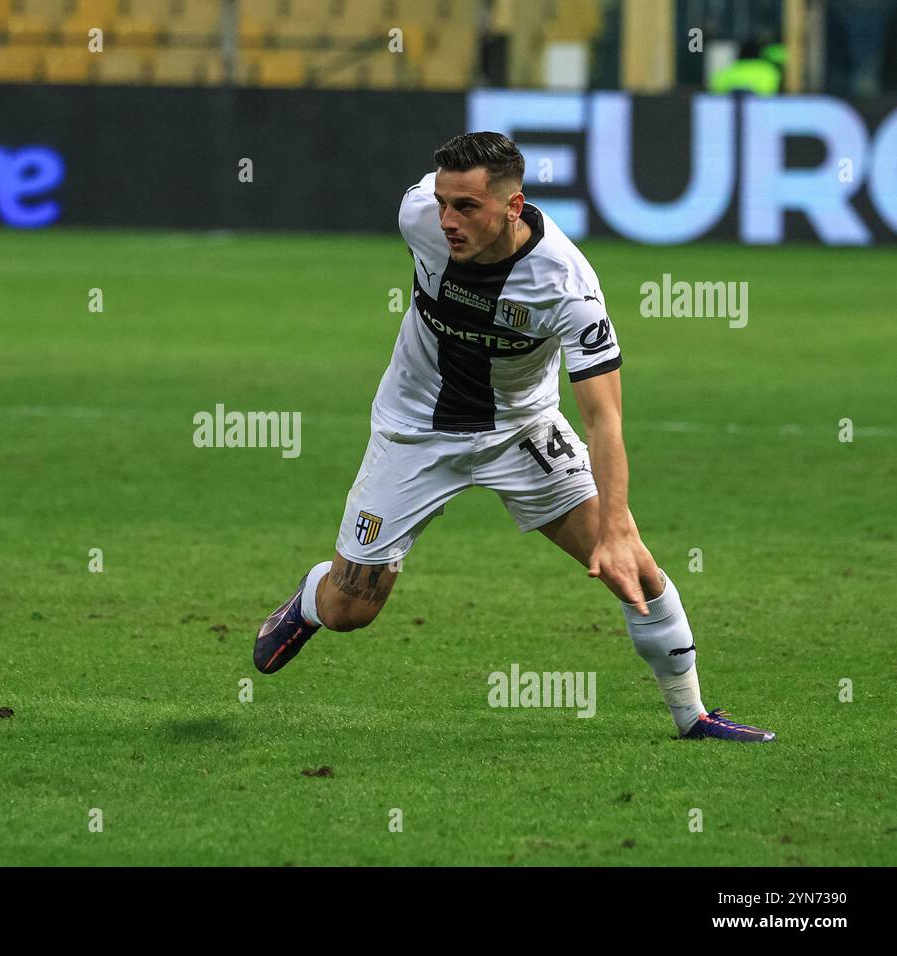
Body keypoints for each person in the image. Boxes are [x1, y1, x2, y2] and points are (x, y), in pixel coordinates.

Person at [253, 132, 775, 743]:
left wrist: (612, 530)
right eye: (443, 203)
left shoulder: (568, 288)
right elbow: (437, 206)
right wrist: (445, 203)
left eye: (467, 207)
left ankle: (694, 717)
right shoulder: (418, 216)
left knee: (632, 566)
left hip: (522, 431)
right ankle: (311, 599)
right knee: (352, 611)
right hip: (414, 428)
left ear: (513, 206)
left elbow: (604, 419)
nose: (447, 220)